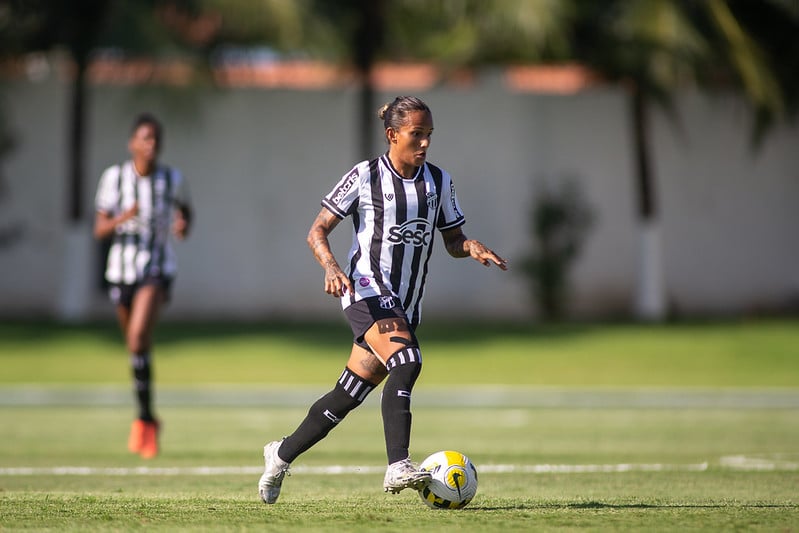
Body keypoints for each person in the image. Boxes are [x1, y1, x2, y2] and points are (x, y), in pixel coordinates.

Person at [258, 96, 507, 504]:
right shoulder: (365, 175)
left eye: (429, 135)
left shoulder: (439, 182)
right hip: (367, 291)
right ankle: (398, 465)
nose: (425, 143)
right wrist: (331, 267)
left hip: (406, 305)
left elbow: (452, 240)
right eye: (416, 135)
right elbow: (317, 230)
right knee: (408, 362)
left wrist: (470, 246)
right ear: (392, 135)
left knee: (348, 393)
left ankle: (280, 454)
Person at [93, 112, 193, 459]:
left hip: (156, 270)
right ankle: (147, 418)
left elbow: (186, 214)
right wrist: (123, 217)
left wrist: (182, 226)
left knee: (137, 337)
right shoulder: (115, 178)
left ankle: (145, 422)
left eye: (155, 139)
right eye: (144, 139)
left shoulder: (171, 178)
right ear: (132, 143)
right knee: (137, 350)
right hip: (120, 272)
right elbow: (99, 229)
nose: (150, 145)